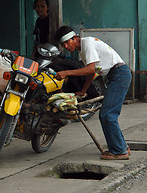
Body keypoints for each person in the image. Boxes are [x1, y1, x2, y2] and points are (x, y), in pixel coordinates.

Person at [54, 26, 132, 160]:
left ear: (75, 38)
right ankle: (121, 147)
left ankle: (120, 151)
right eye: (63, 45)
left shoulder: (88, 43)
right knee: (109, 114)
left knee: (108, 114)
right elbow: (93, 72)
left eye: (67, 42)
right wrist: (83, 91)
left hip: (119, 74)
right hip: (117, 75)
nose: (66, 46)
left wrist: (67, 73)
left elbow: (90, 70)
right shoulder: (83, 50)